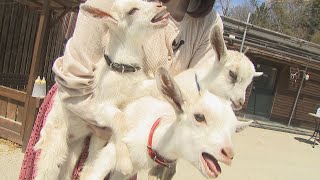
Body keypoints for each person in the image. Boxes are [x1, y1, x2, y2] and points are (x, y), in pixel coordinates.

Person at [19, 0, 222, 179]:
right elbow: (75, 76)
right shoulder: (117, 5)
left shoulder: (208, 24)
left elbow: (196, 95)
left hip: (124, 144)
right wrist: (110, 123)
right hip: (74, 115)